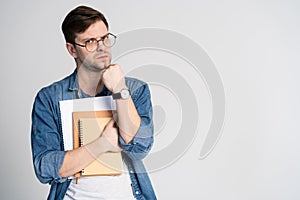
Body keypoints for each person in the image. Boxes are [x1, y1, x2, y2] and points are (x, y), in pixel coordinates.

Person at [31, 5, 156, 200]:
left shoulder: (135, 90)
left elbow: (141, 147)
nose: (101, 47)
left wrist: (119, 90)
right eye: (90, 41)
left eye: (105, 38)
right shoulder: (49, 98)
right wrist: (102, 144)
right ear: (72, 49)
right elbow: (45, 168)